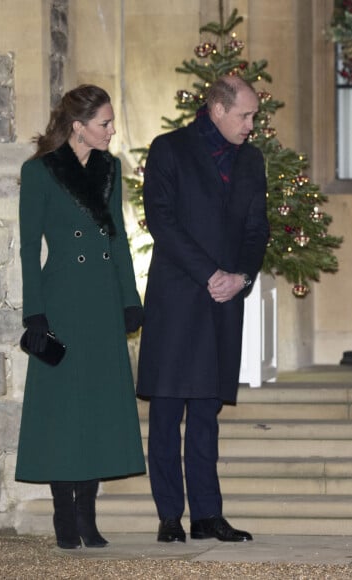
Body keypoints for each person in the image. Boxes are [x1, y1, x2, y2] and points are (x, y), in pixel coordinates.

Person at [136, 75, 269, 544]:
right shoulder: (169, 148)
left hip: (223, 301)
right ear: (217, 108)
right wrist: (209, 273)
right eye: (245, 115)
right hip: (178, 298)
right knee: (169, 411)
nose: (251, 125)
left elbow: (258, 230)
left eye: (253, 116)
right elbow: (161, 219)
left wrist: (241, 277)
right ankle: (170, 515)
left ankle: (208, 515)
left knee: (207, 414)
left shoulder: (251, 161)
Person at [16, 85, 146, 550]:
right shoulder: (39, 172)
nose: (112, 131)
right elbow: (30, 248)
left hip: (102, 301)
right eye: (105, 123)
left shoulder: (110, 169)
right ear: (78, 126)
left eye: (111, 123)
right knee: (61, 407)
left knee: (96, 404)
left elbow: (118, 240)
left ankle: (88, 517)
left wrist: (130, 298)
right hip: (62, 298)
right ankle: (62, 513)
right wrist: (35, 312)